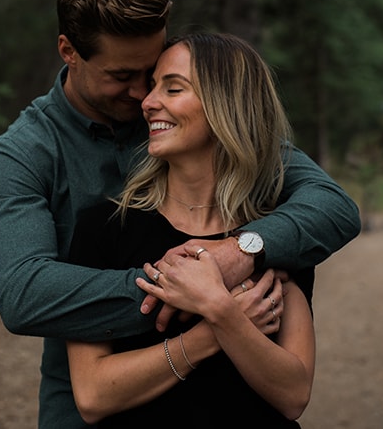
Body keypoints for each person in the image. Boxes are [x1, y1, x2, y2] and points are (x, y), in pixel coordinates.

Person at [0, 0, 360, 428]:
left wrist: (240, 252)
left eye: (154, 72)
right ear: (68, 51)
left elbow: (333, 207)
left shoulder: (191, 125)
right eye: (123, 76)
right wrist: (189, 292)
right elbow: (24, 294)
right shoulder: (26, 152)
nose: (143, 95)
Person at [67, 32, 316, 426]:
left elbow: (294, 394)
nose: (147, 103)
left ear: (226, 106)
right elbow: (93, 394)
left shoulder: (269, 235)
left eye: (173, 88)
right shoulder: (105, 228)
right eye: (152, 88)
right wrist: (215, 329)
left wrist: (218, 308)